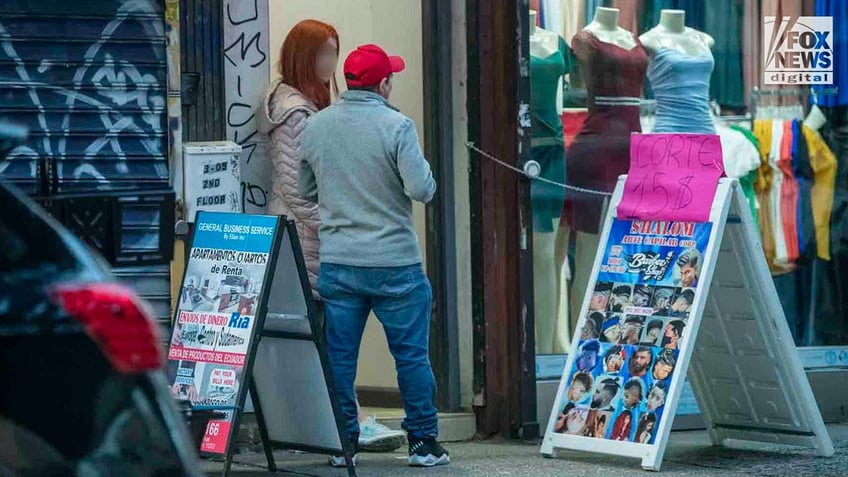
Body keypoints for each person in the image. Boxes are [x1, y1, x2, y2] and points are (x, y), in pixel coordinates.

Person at [258, 24, 406, 462]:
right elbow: (298, 189)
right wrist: (345, 223)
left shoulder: (315, 105)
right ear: (304, 57)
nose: (330, 63)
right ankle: (336, 428)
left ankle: (339, 426)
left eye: (334, 53)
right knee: (323, 336)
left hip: (321, 236)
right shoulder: (295, 112)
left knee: (328, 336)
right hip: (308, 238)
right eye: (323, 54)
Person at [298, 43, 448, 468]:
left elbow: (306, 190)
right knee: (412, 355)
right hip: (394, 265)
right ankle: (422, 443)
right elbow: (422, 190)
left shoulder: (317, 125)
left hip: (339, 262)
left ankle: (343, 443)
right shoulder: (397, 126)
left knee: (340, 357)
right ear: (384, 84)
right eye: (391, 78)